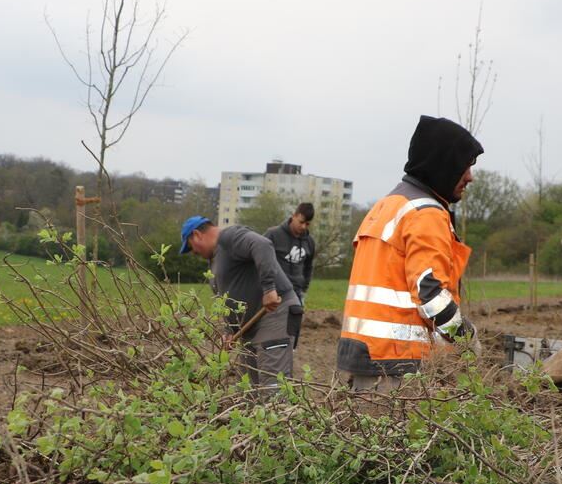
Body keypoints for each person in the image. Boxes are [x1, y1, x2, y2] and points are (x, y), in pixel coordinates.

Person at [336, 115, 484, 392]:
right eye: (465, 166)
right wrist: (466, 339)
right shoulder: (425, 213)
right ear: (444, 165)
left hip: (363, 352)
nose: (470, 177)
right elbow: (430, 294)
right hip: (396, 361)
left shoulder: (388, 205)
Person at [180, 216, 303, 392]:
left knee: (273, 388)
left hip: (273, 313)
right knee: (248, 390)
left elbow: (262, 245)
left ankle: (281, 416)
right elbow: (227, 297)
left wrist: (269, 288)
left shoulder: (230, 237)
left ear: (197, 234)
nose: (194, 253)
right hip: (249, 328)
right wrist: (230, 331)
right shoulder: (215, 260)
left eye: (191, 247)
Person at [264, 203, 315, 307]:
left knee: (294, 322)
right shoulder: (273, 234)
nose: (303, 226)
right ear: (294, 216)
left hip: (297, 293)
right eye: (301, 222)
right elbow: (261, 259)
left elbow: (308, 267)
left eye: (307, 224)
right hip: (274, 292)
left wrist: (304, 288)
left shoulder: (309, 242)